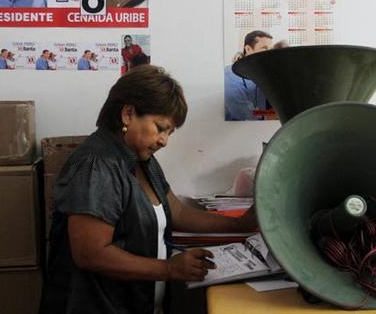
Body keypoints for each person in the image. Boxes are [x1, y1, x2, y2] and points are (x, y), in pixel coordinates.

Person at [39, 65, 256, 314]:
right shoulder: (96, 165)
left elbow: (178, 213)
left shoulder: (143, 161)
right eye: (160, 128)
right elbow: (90, 253)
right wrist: (169, 269)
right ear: (128, 114)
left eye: (170, 132)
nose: (164, 141)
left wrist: (240, 224)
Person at [224, 30, 273, 121]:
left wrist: (268, 114)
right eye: (264, 48)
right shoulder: (230, 74)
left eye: (270, 49)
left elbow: (266, 112)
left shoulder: (264, 75)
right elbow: (243, 113)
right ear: (248, 49)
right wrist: (268, 115)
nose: (269, 53)